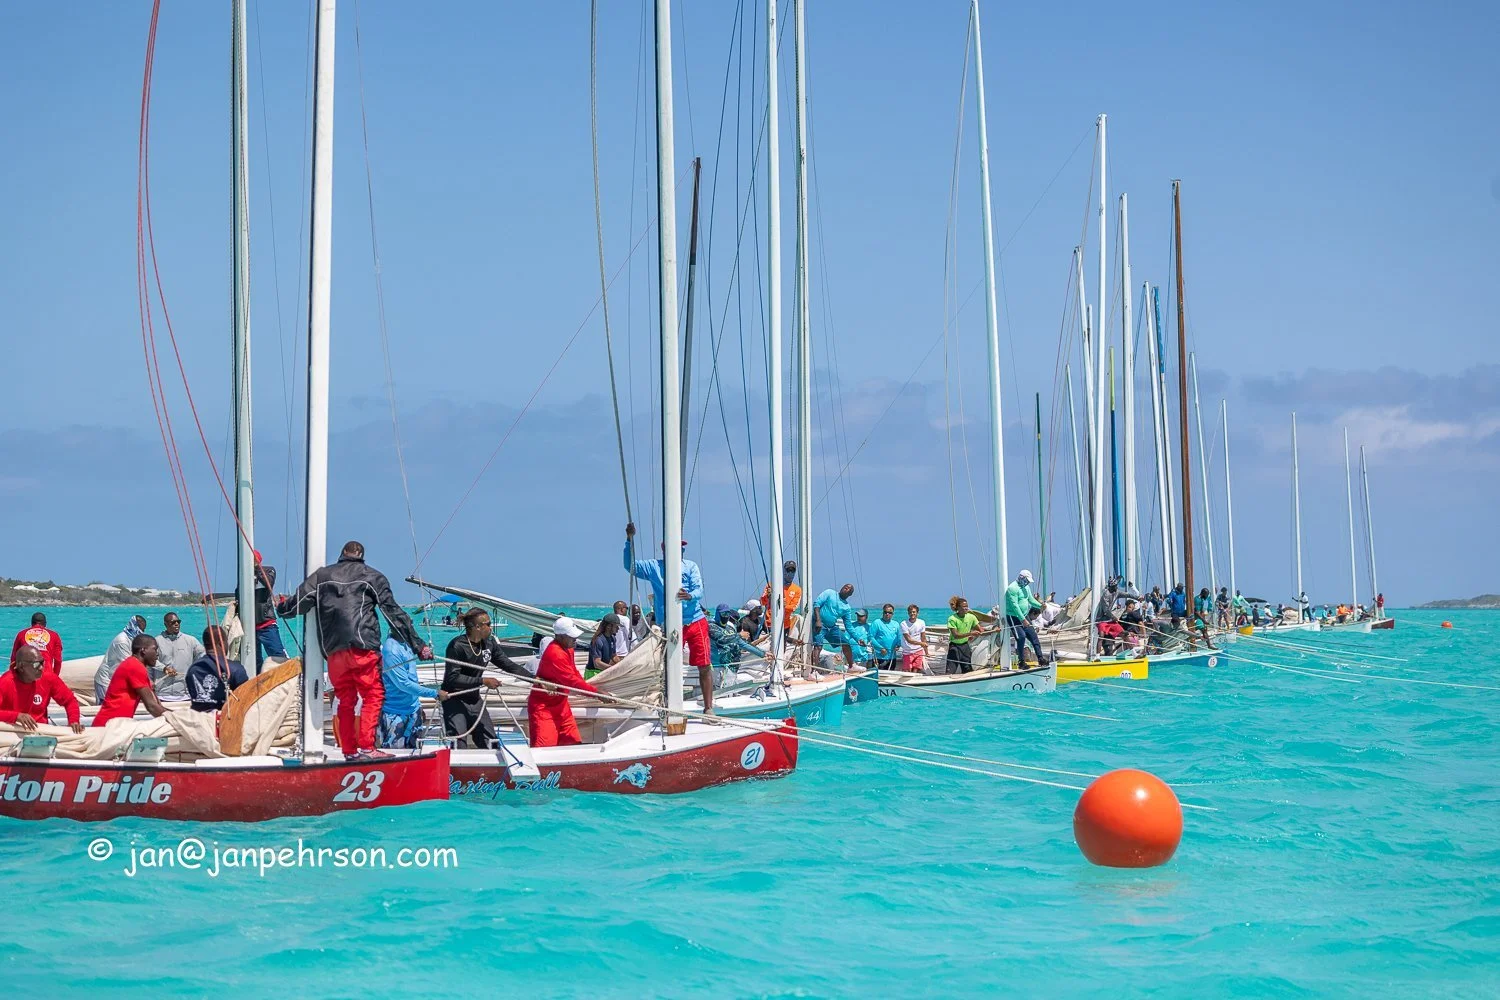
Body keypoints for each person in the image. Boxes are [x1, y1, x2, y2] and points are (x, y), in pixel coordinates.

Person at [276, 539, 431, 760]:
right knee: (373, 695)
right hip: (363, 648)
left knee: (345, 700)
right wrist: (419, 646)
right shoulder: (372, 577)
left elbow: (295, 605)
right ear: (361, 555)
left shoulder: (321, 576)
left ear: (342, 554)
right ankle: (367, 747)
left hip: (334, 652)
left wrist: (281, 607)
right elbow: (394, 614)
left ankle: (349, 751)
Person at [624, 521, 715, 712]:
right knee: (667, 666)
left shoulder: (690, 566)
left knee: (704, 664)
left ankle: (708, 707)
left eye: (682, 547)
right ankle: (668, 705)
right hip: (671, 624)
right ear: (665, 549)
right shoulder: (653, 567)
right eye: (676, 546)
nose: (680, 550)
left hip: (695, 620)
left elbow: (699, 588)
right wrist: (629, 540)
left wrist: (691, 596)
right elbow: (630, 567)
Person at [441, 608, 529, 749]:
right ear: (477, 627)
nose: (491, 627)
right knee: (458, 743)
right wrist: (483, 681)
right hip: (454, 700)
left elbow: (508, 665)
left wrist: (535, 679)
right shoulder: (457, 646)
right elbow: (452, 678)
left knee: (490, 741)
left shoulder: (489, 644)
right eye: (488, 624)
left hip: (474, 699)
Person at [529, 618, 600, 748]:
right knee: (545, 749)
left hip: (562, 705)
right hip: (544, 708)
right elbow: (571, 681)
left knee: (574, 743)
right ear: (560, 637)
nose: (575, 639)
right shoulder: (555, 653)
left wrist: (589, 687)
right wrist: (597, 693)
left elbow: (574, 672)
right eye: (572, 636)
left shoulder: (569, 649)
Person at [380, 634, 446, 749]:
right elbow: (403, 684)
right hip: (396, 713)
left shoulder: (407, 643)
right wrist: (434, 693)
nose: (411, 628)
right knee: (396, 755)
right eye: (407, 624)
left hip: (413, 710)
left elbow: (412, 678)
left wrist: (418, 706)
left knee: (416, 750)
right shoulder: (391, 650)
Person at [0, 646, 82, 732]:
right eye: (36, 664)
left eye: (42, 662)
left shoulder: (48, 678)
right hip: (12, 732)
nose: (41, 668)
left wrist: (74, 721)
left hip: (41, 731)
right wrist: (16, 716)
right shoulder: (5, 682)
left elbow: (70, 701)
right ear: (21, 667)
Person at [94, 634, 169, 726]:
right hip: (108, 726)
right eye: (154, 649)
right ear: (143, 650)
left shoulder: (134, 665)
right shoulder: (135, 667)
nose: (157, 653)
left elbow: (156, 704)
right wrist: (176, 719)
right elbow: (151, 706)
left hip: (115, 725)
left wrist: (175, 716)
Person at [185, 625, 250, 712]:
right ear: (221, 643)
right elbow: (245, 702)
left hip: (199, 721)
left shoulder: (193, 670)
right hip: (224, 722)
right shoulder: (236, 669)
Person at [707, 604, 767, 691]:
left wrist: (763, 654)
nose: (726, 616)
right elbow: (722, 639)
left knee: (730, 691)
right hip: (718, 667)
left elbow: (743, 644)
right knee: (721, 691)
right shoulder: (711, 626)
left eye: (728, 614)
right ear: (717, 614)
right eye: (723, 614)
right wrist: (739, 635)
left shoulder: (729, 628)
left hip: (732, 667)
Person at [95, 615, 148, 703]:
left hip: (116, 680)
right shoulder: (122, 641)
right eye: (140, 629)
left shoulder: (132, 639)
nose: (141, 632)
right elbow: (128, 665)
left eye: (143, 630)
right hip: (106, 681)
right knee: (108, 708)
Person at [153, 612, 202, 703]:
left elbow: (203, 657)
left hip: (185, 695)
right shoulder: (156, 641)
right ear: (165, 624)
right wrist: (164, 668)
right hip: (162, 695)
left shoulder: (191, 640)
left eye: (178, 622)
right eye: (173, 622)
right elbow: (151, 662)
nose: (176, 624)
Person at [252, 551, 287, 667]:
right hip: (250, 627)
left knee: (277, 657)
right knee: (254, 661)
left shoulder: (268, 571)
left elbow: (269, 583)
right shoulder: (244, 575)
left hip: (266, 623)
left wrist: (256, 568)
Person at [1003, 570, 1045, 667]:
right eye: (1027, 580)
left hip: (1025, 615)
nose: (1028, 582)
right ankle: (1021, 662)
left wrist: (1040, 606)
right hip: (1014, 617)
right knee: (1021, 637)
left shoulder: (1026, 587)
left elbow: (1030, 600)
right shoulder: (1012, 588)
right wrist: (1023, 619)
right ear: (1021, 578)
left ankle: (1041, 658)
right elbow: (1015, 606)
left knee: (1033, 637)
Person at [945, 596, 994, 674]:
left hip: (965, 646)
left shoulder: (971, 617)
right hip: (954, 647)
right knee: (950, 672)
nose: (966, 608)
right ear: (958, 608)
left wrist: (994, 630)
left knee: (968, 671)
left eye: (967, 606)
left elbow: (981, 630)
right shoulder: (952, 619)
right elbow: (955, 635)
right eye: (964, 606)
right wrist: (971, 633)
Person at [813, 584, 859, 665]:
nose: (846, 588)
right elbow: (817, 604)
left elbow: (848, 625)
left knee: (846, 644)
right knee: (818, 646)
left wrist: (857, 639)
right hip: (820, 624)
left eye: (849, 589)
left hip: (832, 627)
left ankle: (851, 666)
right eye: (845, 587)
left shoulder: (847, 607)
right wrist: (818, 620)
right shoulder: (829, 593)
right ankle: (814, 671)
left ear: (850, 594)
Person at [760, 560, 804, 637]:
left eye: (792, 570)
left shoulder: (797, 589)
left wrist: (785, 606)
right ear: (783, 571)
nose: (790, 573)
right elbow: (762, 602)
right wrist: (768, 596)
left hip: (784, 625)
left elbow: (794, 607)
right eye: (788, 570)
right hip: (769, 623)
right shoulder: (771, 585)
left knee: (782, 647)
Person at [868, 604, 902, 671]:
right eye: (885, 612)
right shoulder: (877, 623)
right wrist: (880, 648)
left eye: (890, 613)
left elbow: (899, 637)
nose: (887, 614)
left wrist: (898, 645)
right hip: (879, 657)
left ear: (892, 614)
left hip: (892, 657)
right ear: (883, 612)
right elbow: (870, 637)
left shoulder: (896, 624)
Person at [898, 604, 928, 673]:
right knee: (907, 670)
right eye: (910, 612)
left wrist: (927, 652)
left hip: (919, 651)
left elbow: (923, 637)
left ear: (917, 613)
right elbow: (908, 640)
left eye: (914, 612)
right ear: (908, 613)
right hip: (907, 651)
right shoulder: (904, 624)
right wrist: (921, 643)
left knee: (916, 669)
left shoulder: (922, 622)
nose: (912, 613)